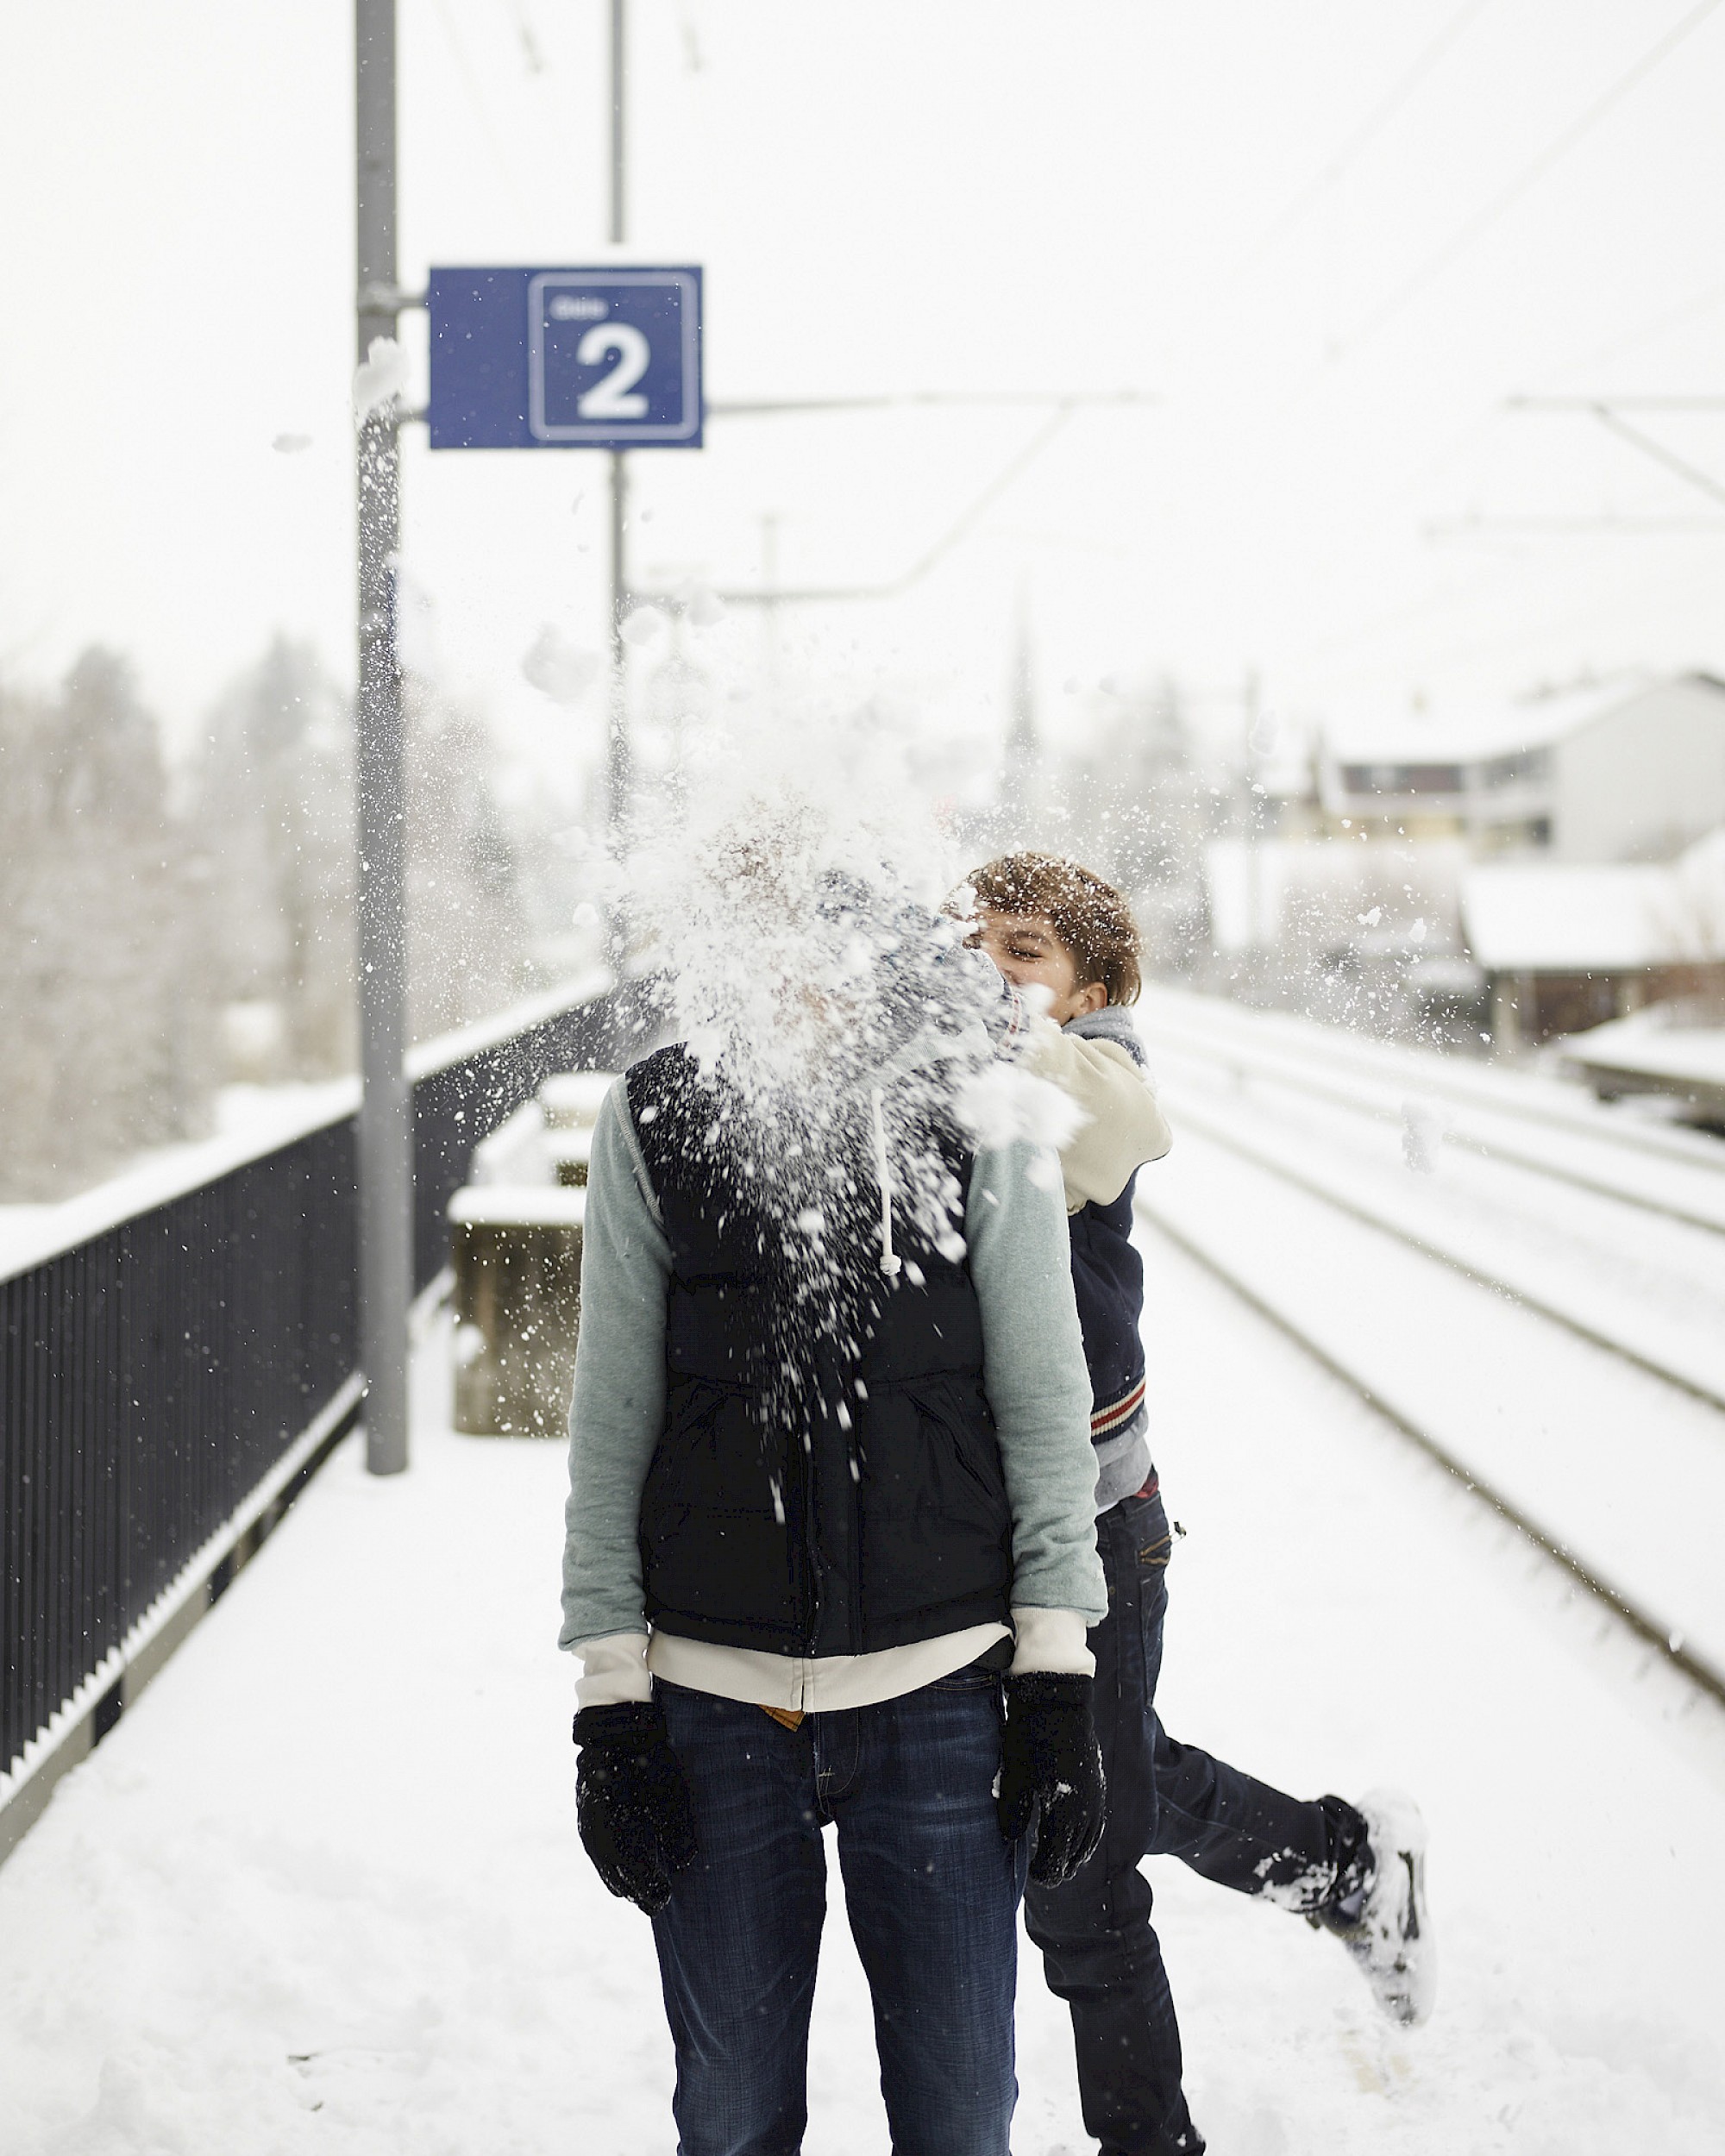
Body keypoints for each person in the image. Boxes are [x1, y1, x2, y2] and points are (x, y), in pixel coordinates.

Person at [559, 847, 1112, 2156]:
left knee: (961, 2116)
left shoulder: (980, 1110)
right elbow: (611, 1417)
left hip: (939, 1700)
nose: (790, 966)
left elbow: (1044, 1395)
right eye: (755, 936)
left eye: (817, 932)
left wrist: (1055, 1674)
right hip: (709, 1706)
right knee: (734, 2116)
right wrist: (610, 1704)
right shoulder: (657, 1116)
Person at [963, 850, 1435, 2156]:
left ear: (1095, 986)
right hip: (969, 1534)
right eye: (975, 948)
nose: (989, 976)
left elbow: (1099, 1129)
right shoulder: (978, 1074)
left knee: (1081, 1890)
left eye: (1021, 954)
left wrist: (962, 1015)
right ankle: (1346, 1866)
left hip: (1100, 1529)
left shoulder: (1094, 1082)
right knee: (1101, 1787)